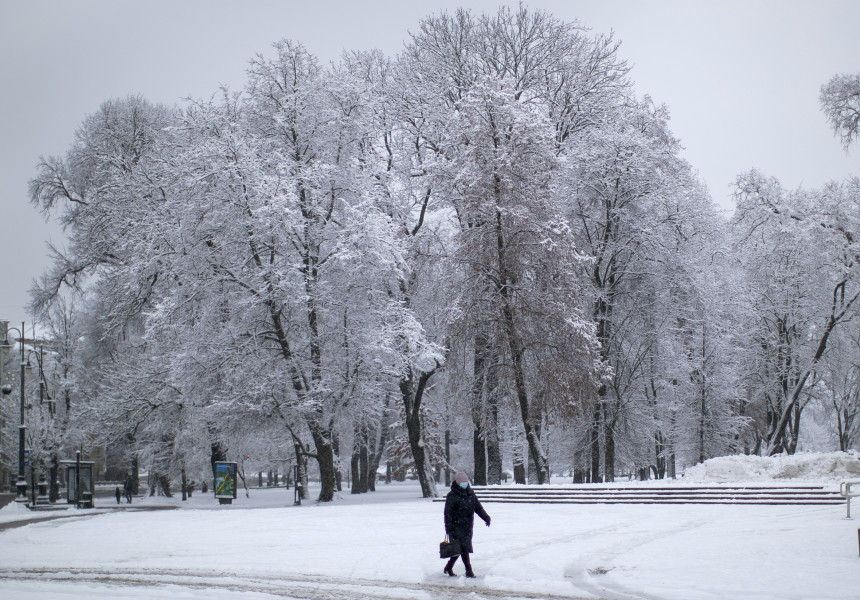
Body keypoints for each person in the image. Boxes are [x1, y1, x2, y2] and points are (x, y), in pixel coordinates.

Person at [443, 471, 491, 578]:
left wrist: (486, 517)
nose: (465, 483)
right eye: (462, 482)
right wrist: (449, 529)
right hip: (456, 527)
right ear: (457, 482)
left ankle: (449, 567)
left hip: (467, 526)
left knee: (459, 548)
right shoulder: (452, 496)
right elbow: (447, 514)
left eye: (466, 481)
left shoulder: (470, 494)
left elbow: (478, 507)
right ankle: (469, 571)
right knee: (463, 548)